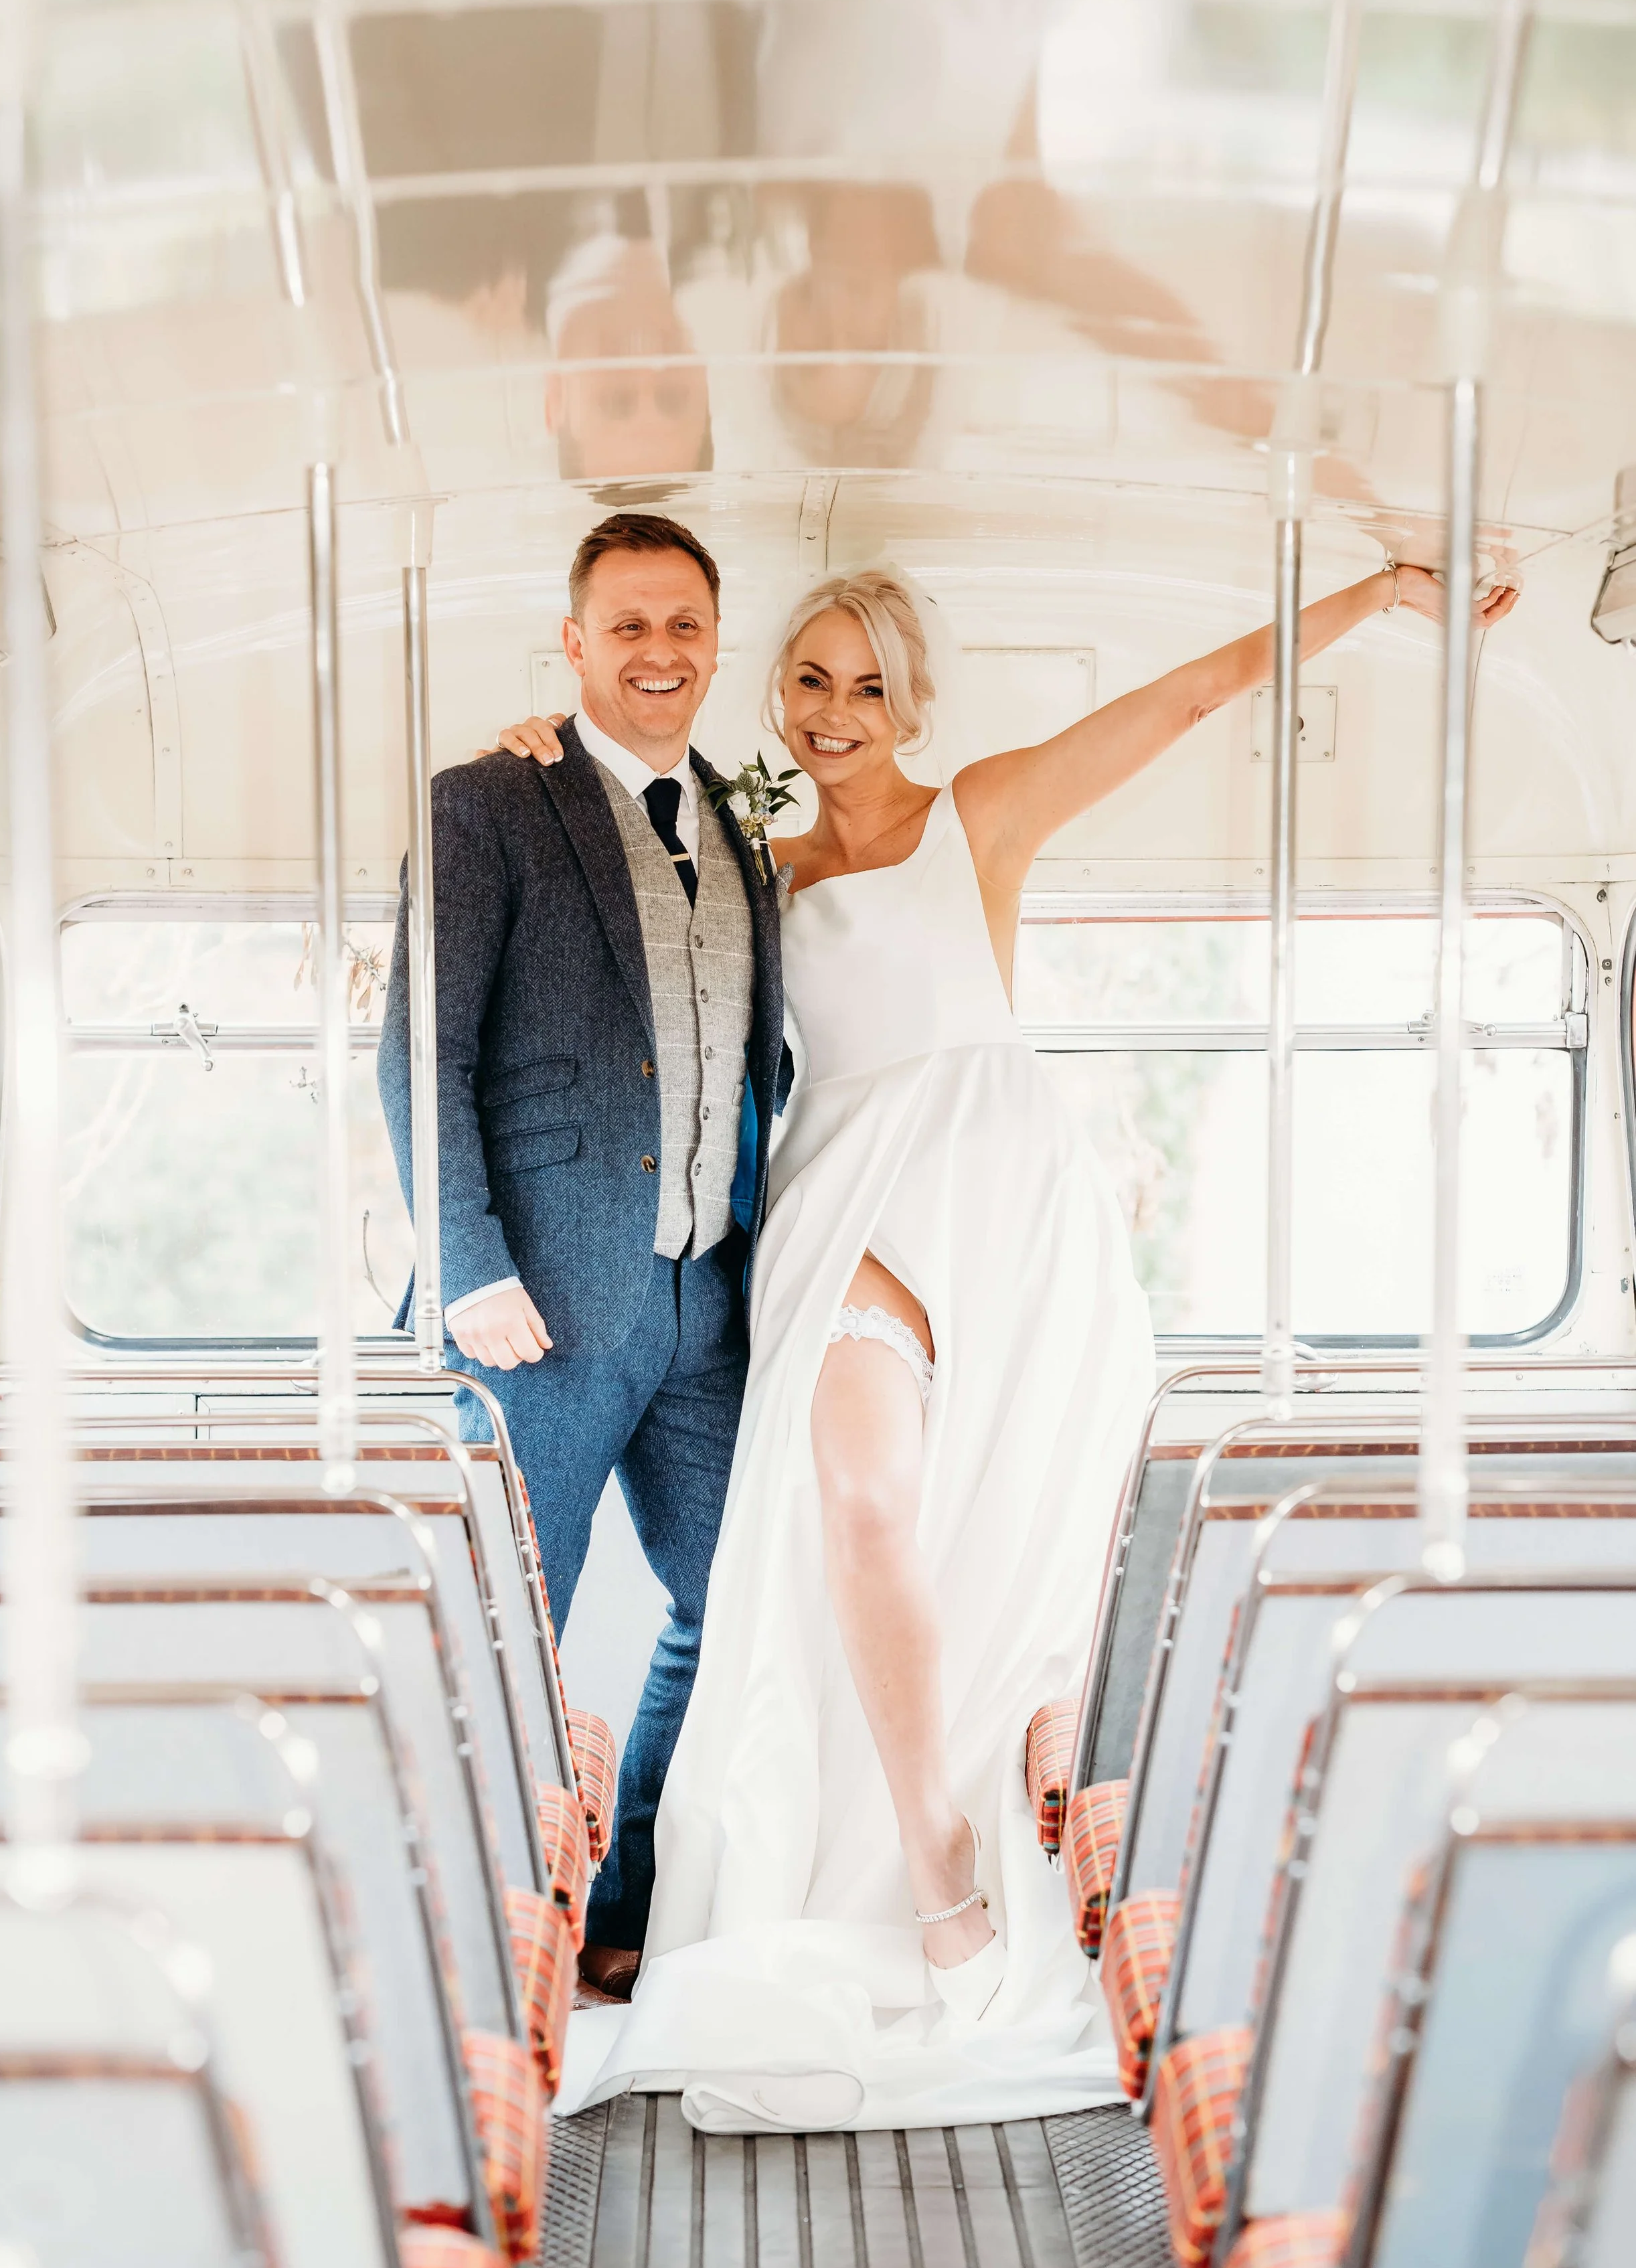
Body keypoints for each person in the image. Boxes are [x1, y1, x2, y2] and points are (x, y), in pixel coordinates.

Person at [494, 554, 1520, 2129]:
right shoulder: (750, 861)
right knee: (856, 1507)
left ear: (913, 703)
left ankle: (993, 1834)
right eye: (811, 681)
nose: (836, 713)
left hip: (999, 1190)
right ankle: (934, 1857)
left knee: (998, 1545)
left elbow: (1188, 697)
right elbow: (603, 899)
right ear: (778, 695)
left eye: (868, 687)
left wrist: (1374, 592)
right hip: (839, 1197)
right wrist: (539, 753)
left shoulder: (980, 812)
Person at [376, 510, 786, 2001]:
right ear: (573, 642)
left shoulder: (740, 821)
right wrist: (470, 1264)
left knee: (737, 1592)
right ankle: (482, 1955)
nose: (658, 652)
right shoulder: (488, 802)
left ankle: (623, 1903)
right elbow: (418, 1054)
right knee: (505, 1630)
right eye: (626, 626)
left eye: (682, 624)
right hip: (529, 1305)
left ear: (713, 641)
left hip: (702, 1295)